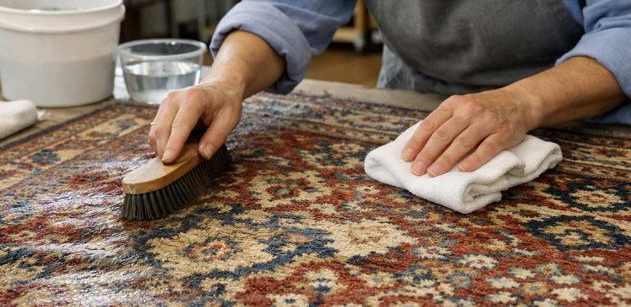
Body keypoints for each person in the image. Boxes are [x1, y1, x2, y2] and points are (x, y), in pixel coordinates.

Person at [148, 0, 631, 177]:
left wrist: (521, 102)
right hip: (412, 105)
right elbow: (286, 8)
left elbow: (625, 28)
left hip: (574, 113)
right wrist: (224, 81)